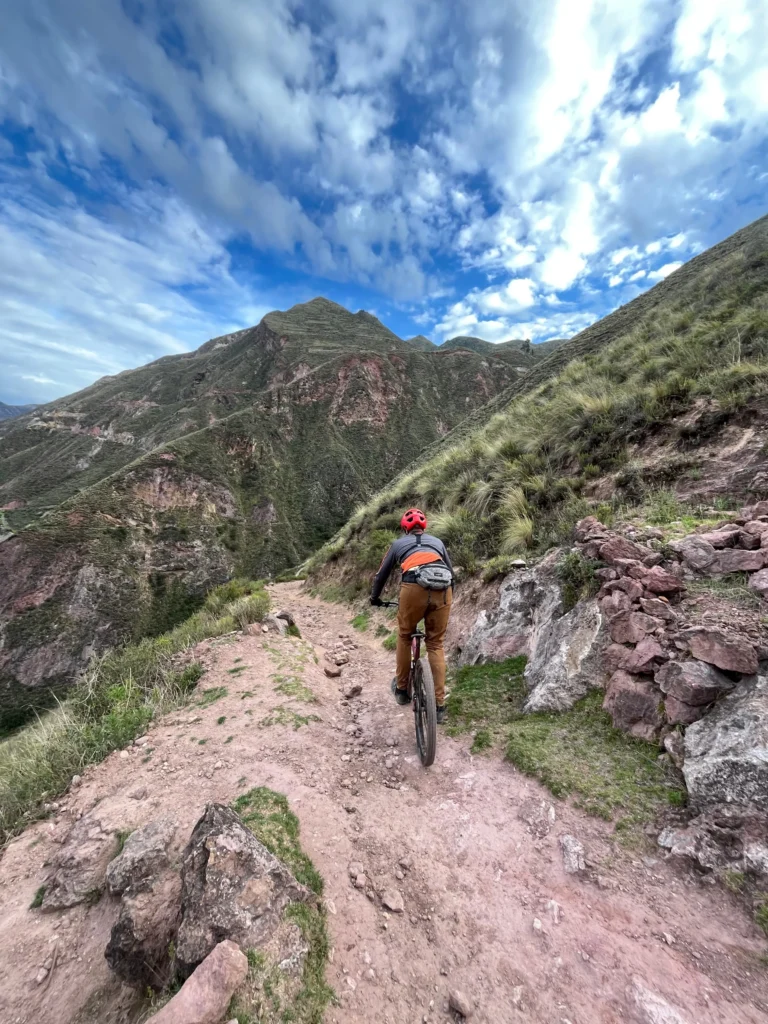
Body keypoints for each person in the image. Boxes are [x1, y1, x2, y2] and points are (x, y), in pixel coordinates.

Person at [370, 508, 454, 724]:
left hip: (413, 587)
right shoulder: (437, 542)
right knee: (435, 644)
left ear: (405, 528)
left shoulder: (398, 544)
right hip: (443, 590)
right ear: (423, 527)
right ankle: (440, 706)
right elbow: (451, 574)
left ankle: (401, 690)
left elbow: (381, 574)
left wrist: (375, 597)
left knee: (405, 635)